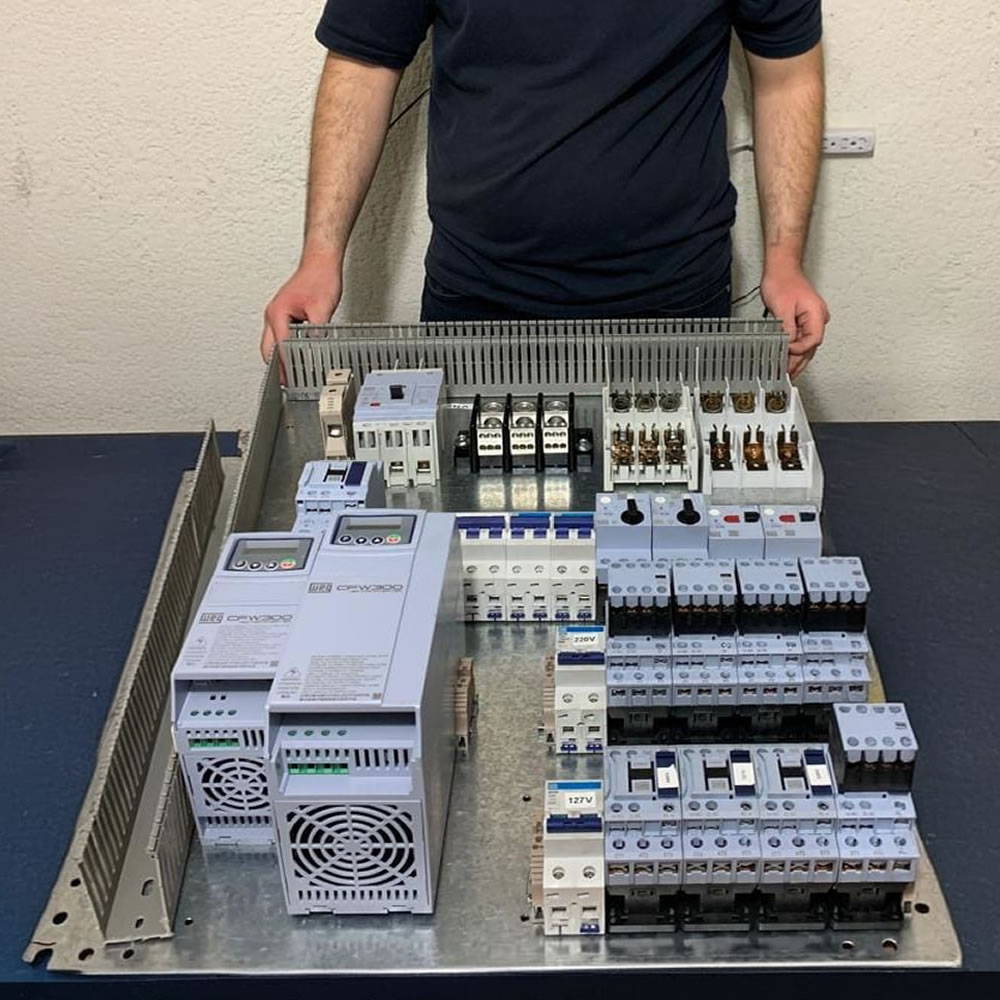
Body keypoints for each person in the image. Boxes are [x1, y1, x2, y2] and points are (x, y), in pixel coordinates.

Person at [263, 1, 829, 377]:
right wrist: (320, 257)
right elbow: (362, 66)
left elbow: (787, 77)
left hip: (675, 295)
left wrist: (785, 259)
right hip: (478, 296)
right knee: (474, 516)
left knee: (668, 513)